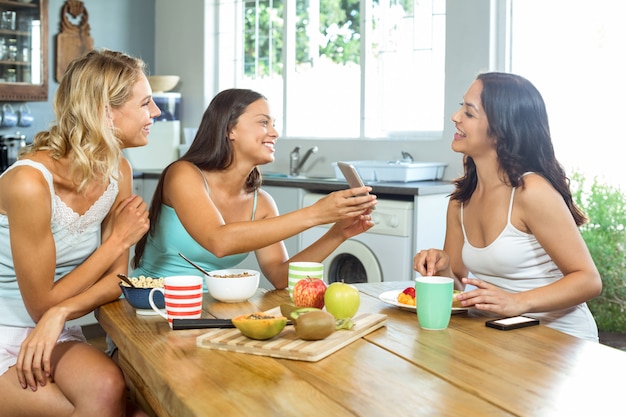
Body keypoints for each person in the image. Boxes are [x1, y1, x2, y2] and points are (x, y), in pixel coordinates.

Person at [0, 49, 158, 416]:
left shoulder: (118, 169)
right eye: (146, 103)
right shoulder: (28, 182)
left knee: (108, 385)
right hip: (4, 326)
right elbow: (40, 304)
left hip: (55, 330)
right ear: (105, 111)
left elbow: (118, 279)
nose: (156, 114)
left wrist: (61, 313)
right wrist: (118, 239)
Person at [413, 72, 602, 342]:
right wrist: (442, 270)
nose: (456, 117)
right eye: (460, 107)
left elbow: (588, 280)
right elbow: (459, 290)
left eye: (469, 112)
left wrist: (517, 302)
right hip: (503, 336)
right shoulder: (460, 201)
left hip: (560, 339)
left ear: (500, 131)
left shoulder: (531, 192)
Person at [131, 88, 377, 289]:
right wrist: (315, 214)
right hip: (154, 303)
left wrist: (337, 234)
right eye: (263, 123)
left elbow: (280, 277)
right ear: (230, 130)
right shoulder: (184, 174)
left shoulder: (262, 204)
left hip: (213, 310)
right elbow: (219, 241)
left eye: (273, 124)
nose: (274, 132)